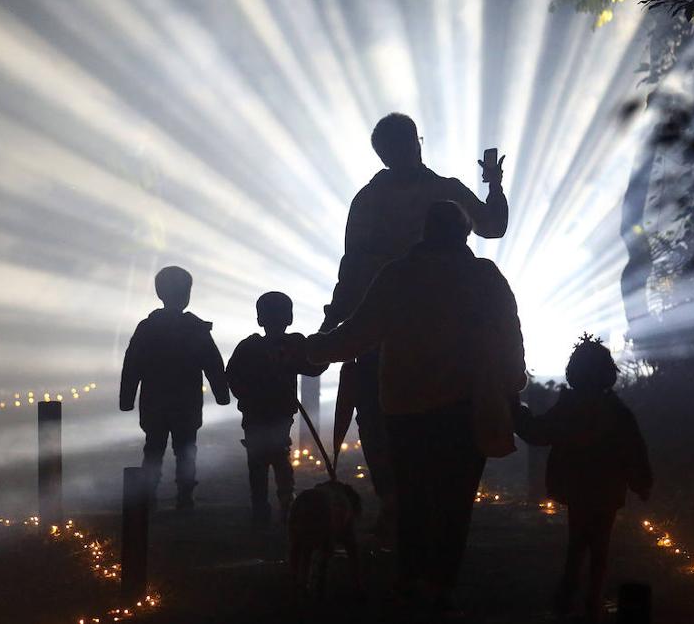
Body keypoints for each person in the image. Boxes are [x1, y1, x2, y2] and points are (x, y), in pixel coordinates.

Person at [306, 201, 526, 614]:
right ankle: (441, 584)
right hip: (467, 407)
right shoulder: (485, 277)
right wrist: (512, 383)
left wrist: (310, 350)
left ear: (423, 232)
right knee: (455, 502)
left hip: (406, 409)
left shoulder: (398, 276)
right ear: (464, 234)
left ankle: (409, 580)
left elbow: (356, 333)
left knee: (411, 499)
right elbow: (509, 336)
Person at [321, 113, 509, 535]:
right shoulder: (443, 192)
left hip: (384, 325)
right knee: (420, 419)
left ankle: (397, 503)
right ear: (413, 143)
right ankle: (419, 512)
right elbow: (493, 226)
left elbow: (351, 269)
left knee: (378, 417)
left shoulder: (371, 200)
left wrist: (333, 326)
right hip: (440, 330)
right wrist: (494, 184)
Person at [514, 335, 653, 622]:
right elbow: (633, 449)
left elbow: (541, 432)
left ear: (574, 372)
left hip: (577, 485)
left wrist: (518, 415)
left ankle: (570, 595)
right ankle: (590, 599)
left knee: (577, 541)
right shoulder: (617, 412)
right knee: (600, 543)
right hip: (606, 488)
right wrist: (642, 482)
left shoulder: (570, 408)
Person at [119, 266, 231, 509]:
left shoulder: (147, 328)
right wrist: (222, 394)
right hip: (186, 403)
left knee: (153, 449)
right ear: (187, 294)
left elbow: (132, 365)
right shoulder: (195, 329)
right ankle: (185, 497)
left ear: (160, 293)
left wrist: (126, 399)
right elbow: (213, 363)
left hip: (155, 403)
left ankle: (149, 497)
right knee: (186, 451)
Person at [225, 291, 326, 527]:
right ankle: (284, 502)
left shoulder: (250, 347)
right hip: (278, 413)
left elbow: (231, 376)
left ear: (260, 318)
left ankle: (262, 508)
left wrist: (246, 397)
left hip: (257, 415)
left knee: (259, 461)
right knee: (279, 456)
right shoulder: (293, 345)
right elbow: (315, 366)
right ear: (289, 318)